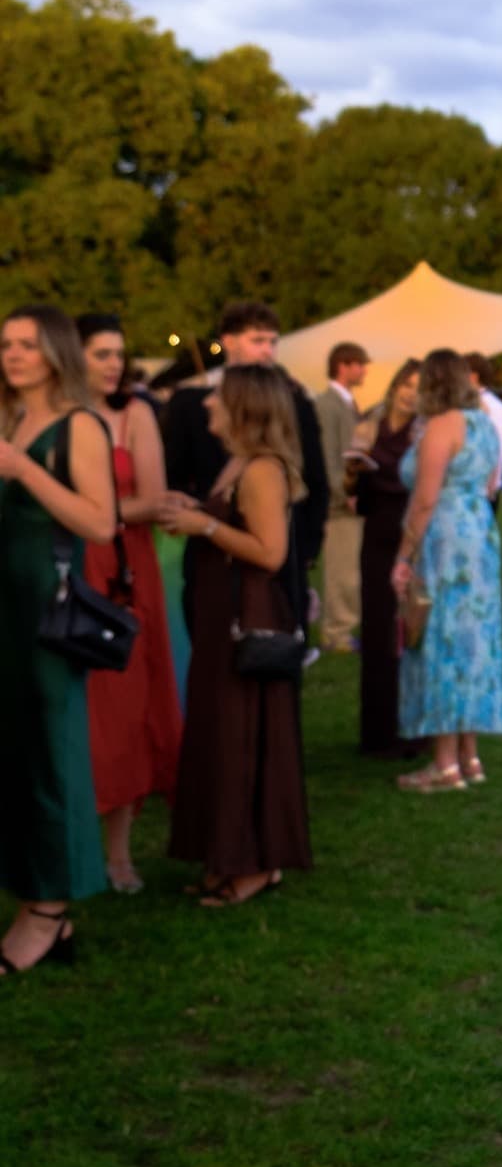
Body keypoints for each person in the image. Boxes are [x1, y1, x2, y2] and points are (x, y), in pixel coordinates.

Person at [160, 366, 312, 906]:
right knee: (220, 737)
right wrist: (196, 511)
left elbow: (268, 553)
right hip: (219, 618)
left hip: (246, 620)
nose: (207, 407)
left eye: (218, 399)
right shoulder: (239, 462)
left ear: (245, 406)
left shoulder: (263, 470)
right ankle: (226, 855)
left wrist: (204, 525)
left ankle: (253, 863)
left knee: (242, 737)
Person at [0, 304, 118, 972]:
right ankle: (30, 890)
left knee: (51, 748)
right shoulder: (9, 416)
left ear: (56, 354)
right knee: (14, 748)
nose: (13, 355)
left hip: (46, 601)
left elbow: (101, 524)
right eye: (6, 343)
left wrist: (24, 471)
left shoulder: (79, 425)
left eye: (27, 345)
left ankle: (51, 908)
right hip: (2, 600)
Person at [76, 313, 184, 892]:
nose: (115, 364)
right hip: (60, 563)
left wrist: (89, 512)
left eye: (119, 353)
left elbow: (154, 497)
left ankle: (118, 853)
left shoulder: (133, 413)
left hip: (120, 567)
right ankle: (69, 843)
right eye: (101, 354)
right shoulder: (49, 414)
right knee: (72, 710)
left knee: (122, 708)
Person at [162, 301, 328, 632]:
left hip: (276, 554)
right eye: (258, 340)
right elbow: (175, 474)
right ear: (229, 341)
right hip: (212, 559)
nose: (267, 351)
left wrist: (307, 549)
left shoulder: (295, 404)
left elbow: (315, 479)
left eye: (272, 341)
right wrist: (195, 509)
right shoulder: (193, 404)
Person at [393, 349, 502, 792]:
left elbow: (424, 500)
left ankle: (444, 765)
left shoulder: (443, 426)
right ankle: (469, 757)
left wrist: (403, 557)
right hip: (479, 532)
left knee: (441, 641)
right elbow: (492, 483)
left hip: (444, 539)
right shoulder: (484, 424)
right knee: (475, 643)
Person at [354, 357, 421, 759]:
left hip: (409, 536)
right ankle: (376, 730)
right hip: (375, 532)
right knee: (377, 633)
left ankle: (410, 729)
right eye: (407, 384)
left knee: (409, 635)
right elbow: (355, 494)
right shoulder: (369, 424)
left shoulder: (423, 431)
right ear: (395, 385)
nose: (411, 393)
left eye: (419, 386)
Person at [314, 341, 370, 652]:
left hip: (351, 500)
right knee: (341, 571)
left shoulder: (347, 402)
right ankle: (336, 631)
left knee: (352, 570)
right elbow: (328, 456)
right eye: (359, 364)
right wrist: (342, 493)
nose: (363, 371)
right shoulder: (328, 403)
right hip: (340, 505)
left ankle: (343, 628)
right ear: (343, 365)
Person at [466, 355, 502, 494]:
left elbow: (499, 447)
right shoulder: (475, 404)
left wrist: (490, 486)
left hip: (484, 489)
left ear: (473, 377)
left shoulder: (494, 407)